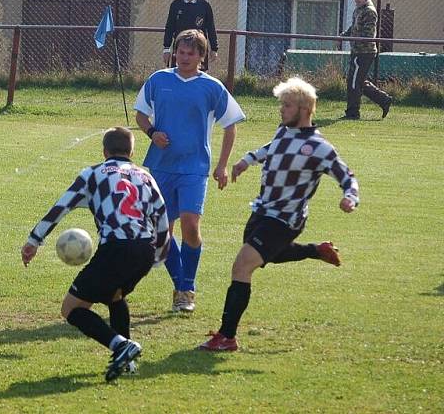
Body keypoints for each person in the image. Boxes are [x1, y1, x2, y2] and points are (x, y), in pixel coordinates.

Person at [199, 77, 359, 351]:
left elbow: (347, 177)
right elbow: (271, 149)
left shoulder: (320, 148)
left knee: (242, 266)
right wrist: (247, 160)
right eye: (281, 104)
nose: (281, 110)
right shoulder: (283, 131)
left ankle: (227, 336)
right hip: (262, 210)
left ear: (305, 110)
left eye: (287, 105)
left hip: (286, 219)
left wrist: (350, 197)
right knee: (266, 256)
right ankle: (316, 250)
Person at [21, 127, 170, 382]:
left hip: (116, 248)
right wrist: (158, 255)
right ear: (132, 152)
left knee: (71, 309)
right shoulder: (146, 176)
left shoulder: (93, 174)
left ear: (104, 152)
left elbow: (61, 206)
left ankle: (120, 346)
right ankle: (128, 362)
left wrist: (34, 240)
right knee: (115, 295)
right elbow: (162, 215)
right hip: (144, 249)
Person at [135, 29, 244, 314]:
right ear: (175, 52)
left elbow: (230, 126)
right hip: (161, 166)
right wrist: (153, 132)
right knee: (163, 234)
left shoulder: (212, 87)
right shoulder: (159, 80)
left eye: (191, 53)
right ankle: (182, 288)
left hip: (195, 168)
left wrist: (221, 166)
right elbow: (140, 115)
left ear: (202, 56)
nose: (184, 58)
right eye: (180, 52)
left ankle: (186, 287)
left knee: (190, 227)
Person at [341, 0, 392, 120]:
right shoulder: (359, 10)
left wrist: (354, 39)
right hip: (357, 51)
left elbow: (368, 34)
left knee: (353, 82)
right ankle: (384, 100)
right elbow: (355, 27)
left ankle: (353, 113)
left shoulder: (369, 11)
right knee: (358, 81)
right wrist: (345, 35)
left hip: (364, 52)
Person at [162, 0, 219, 69]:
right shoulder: (175, 5)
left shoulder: (205, 5)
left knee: (199, 76)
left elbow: (211, 27)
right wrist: (166, 48)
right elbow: (169, 27)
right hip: (180, 47)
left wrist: (214, 48)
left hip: (199, 46)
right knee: (178, 74)